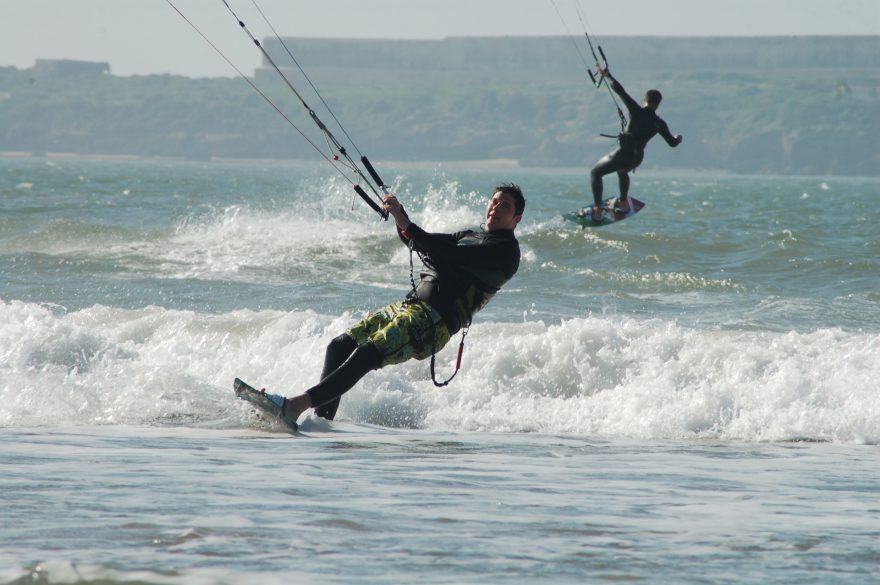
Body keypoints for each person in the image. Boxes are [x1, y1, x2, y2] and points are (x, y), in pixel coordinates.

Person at [260, 183, 525, 429]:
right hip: (410, 307)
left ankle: (294, 406)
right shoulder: (469, 235)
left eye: (505, 207)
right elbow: (421, 241)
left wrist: (405, 221)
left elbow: (447, 253)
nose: (495, 209)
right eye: (494, 202)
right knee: (339, 345)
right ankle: (321, 424)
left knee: (367, 353)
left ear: (516, 219)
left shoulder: (506, 252)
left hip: (434, 321)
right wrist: (400, 216)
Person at [586, 68, 683, 222]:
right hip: (636, 159)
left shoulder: (636, 111)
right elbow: (672, 143)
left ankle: (597, 210)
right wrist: (678, 138)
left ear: (645, 100)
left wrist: (608, 75)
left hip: (622, 155)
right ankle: (623, 202)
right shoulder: (659, 123)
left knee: (595, 173)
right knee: (622, 171)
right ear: (657, 104)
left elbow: (620, 91)